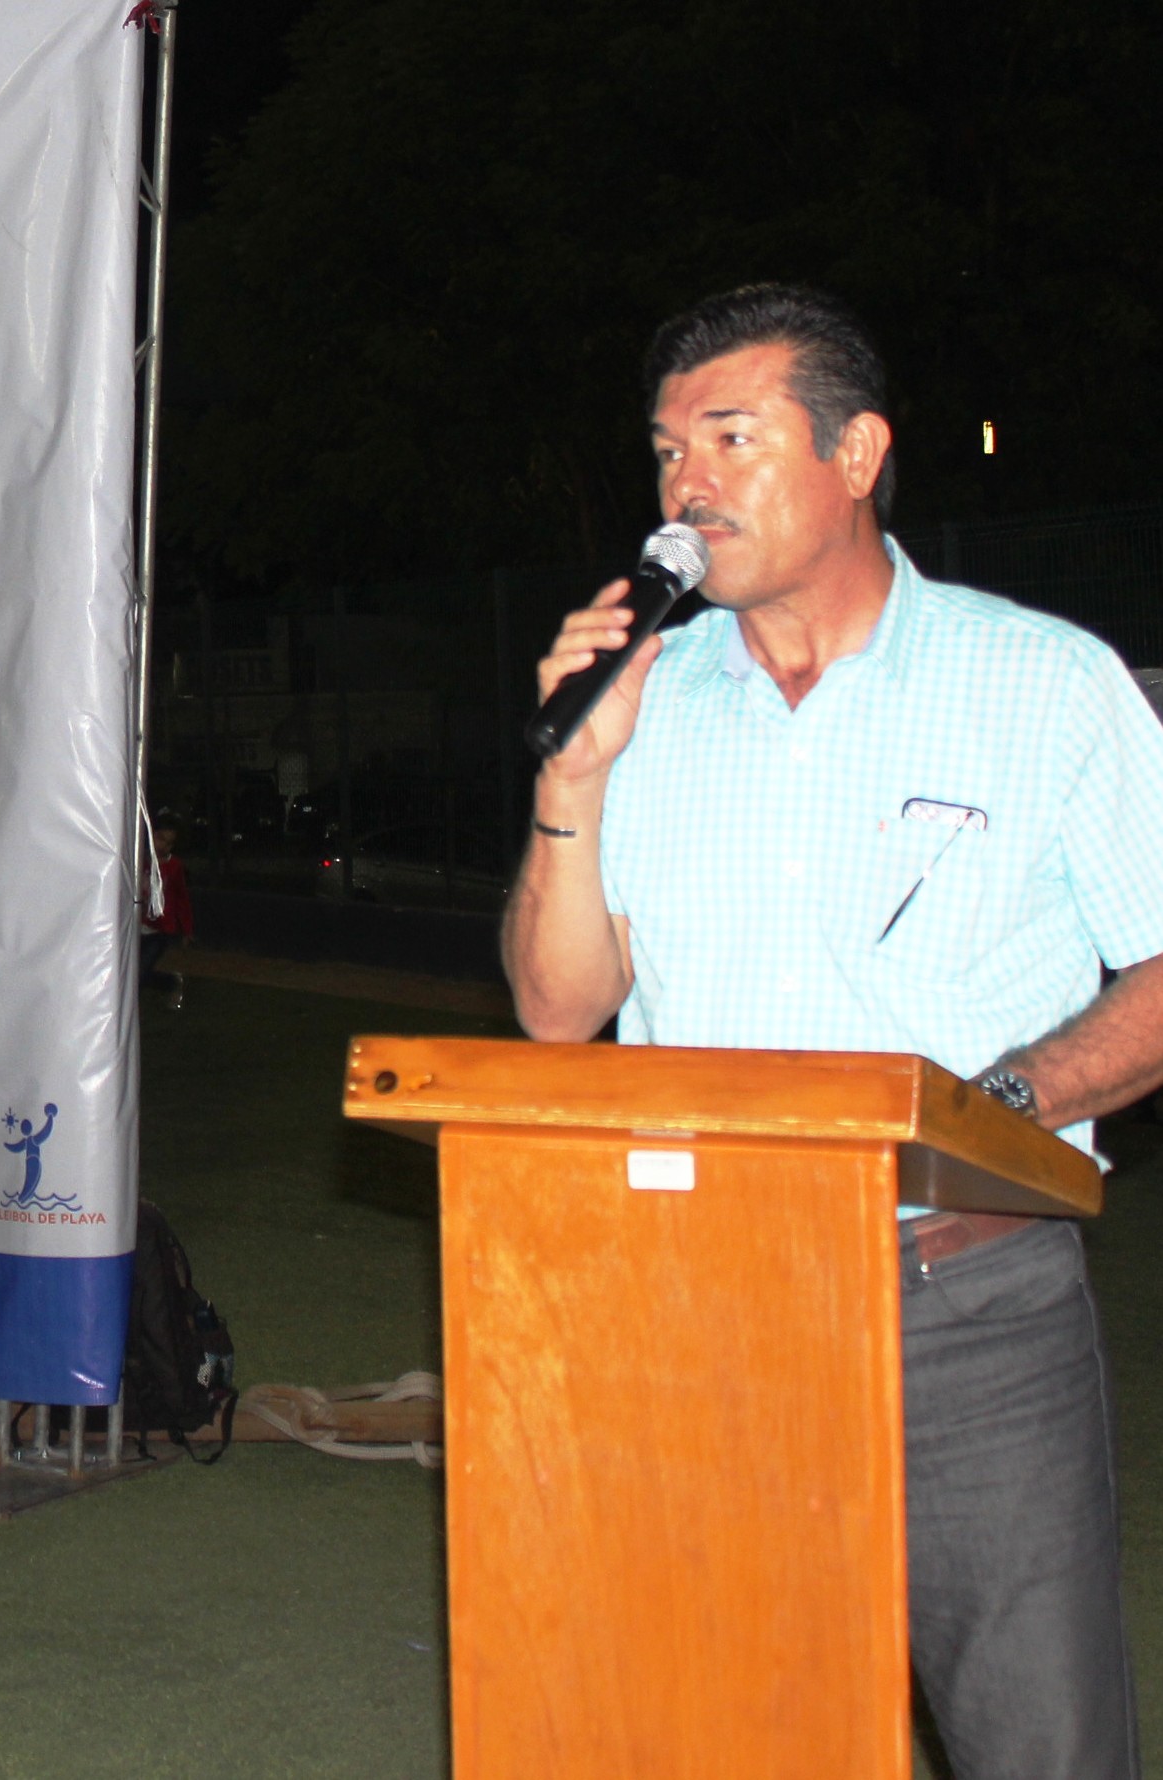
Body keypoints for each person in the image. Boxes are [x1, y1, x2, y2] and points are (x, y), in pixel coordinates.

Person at [504, 284, 1163, 1777]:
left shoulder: (1041, 683)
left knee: (1039, 1742)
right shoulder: (645, 704)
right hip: (698, 1306)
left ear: (855, 454)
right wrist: (573, 781)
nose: (686, 485)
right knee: (720, 1729)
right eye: (667, 450)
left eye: (730, 439)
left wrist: (989, 1109)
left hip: (964, 1305)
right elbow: (556, 1007)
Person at [141, 817, 192, 1009]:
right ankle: (169, 981)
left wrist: (186, 929)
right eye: (160, 838)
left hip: (159, 930)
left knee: (141, 971)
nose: (163, 846)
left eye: (169, 843)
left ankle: (171, 982)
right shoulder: (139, 860)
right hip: (137, 926)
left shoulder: (174, 866)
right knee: (134, 970)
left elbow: (181, 898)